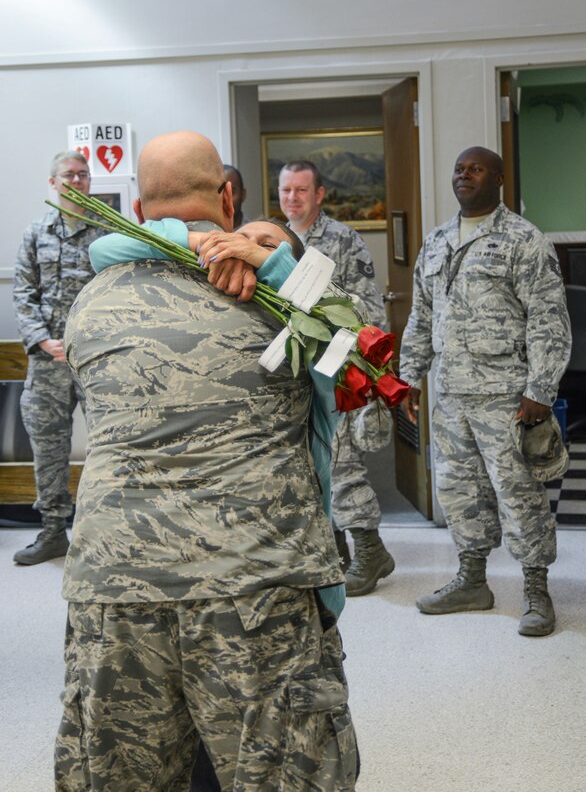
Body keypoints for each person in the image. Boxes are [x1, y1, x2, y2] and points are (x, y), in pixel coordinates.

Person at [55, 131, 357, 791]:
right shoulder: (280, 309)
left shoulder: (90, 306)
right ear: (227, 195)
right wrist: (269, 267)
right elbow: (352, 350)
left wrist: (202, 247)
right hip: (256, 581)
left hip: (116, 586)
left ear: (138, 208)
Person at [400, 146, 572, 637]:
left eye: (475, 169)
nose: (463, 175)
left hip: (507, 396)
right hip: (450, 394)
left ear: (498, 178)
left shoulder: (522, 239)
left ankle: (536, 589)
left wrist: (540, 387)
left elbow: (548, 318)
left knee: (520, 494)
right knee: (458, 490)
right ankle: (472, 580)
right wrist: (409, 377)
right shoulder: (435, 242)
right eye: (458, 169)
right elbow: (421, 317)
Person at [278, 159, 394, 596]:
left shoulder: (344, 240)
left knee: (343, 466)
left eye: (301, 190)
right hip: (291, 374)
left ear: (319, 194)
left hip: (336, 370)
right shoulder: (273, 240)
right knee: (308, 468)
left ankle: (370, 551)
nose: (293, 198)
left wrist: (322, 314)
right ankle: (335, 552)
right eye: (286, 190)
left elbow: (369, 312)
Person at [12, 150, 107, 566]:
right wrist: (40, 340)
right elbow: (23, 293)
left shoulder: (106, 230)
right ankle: (52, 533)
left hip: (94, 361)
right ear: (53, 182)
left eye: (83, 175)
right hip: (48, 362)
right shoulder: (36, 233)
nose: (77, 181)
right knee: (48, 449)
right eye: (69, 175)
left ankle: (104, 533)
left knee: (109, 446)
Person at [223, 163, 249, 229]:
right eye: (221, 192)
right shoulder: (204, 234)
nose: (225, 199)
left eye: (232, 192)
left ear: (243, 194)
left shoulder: (254, 233)